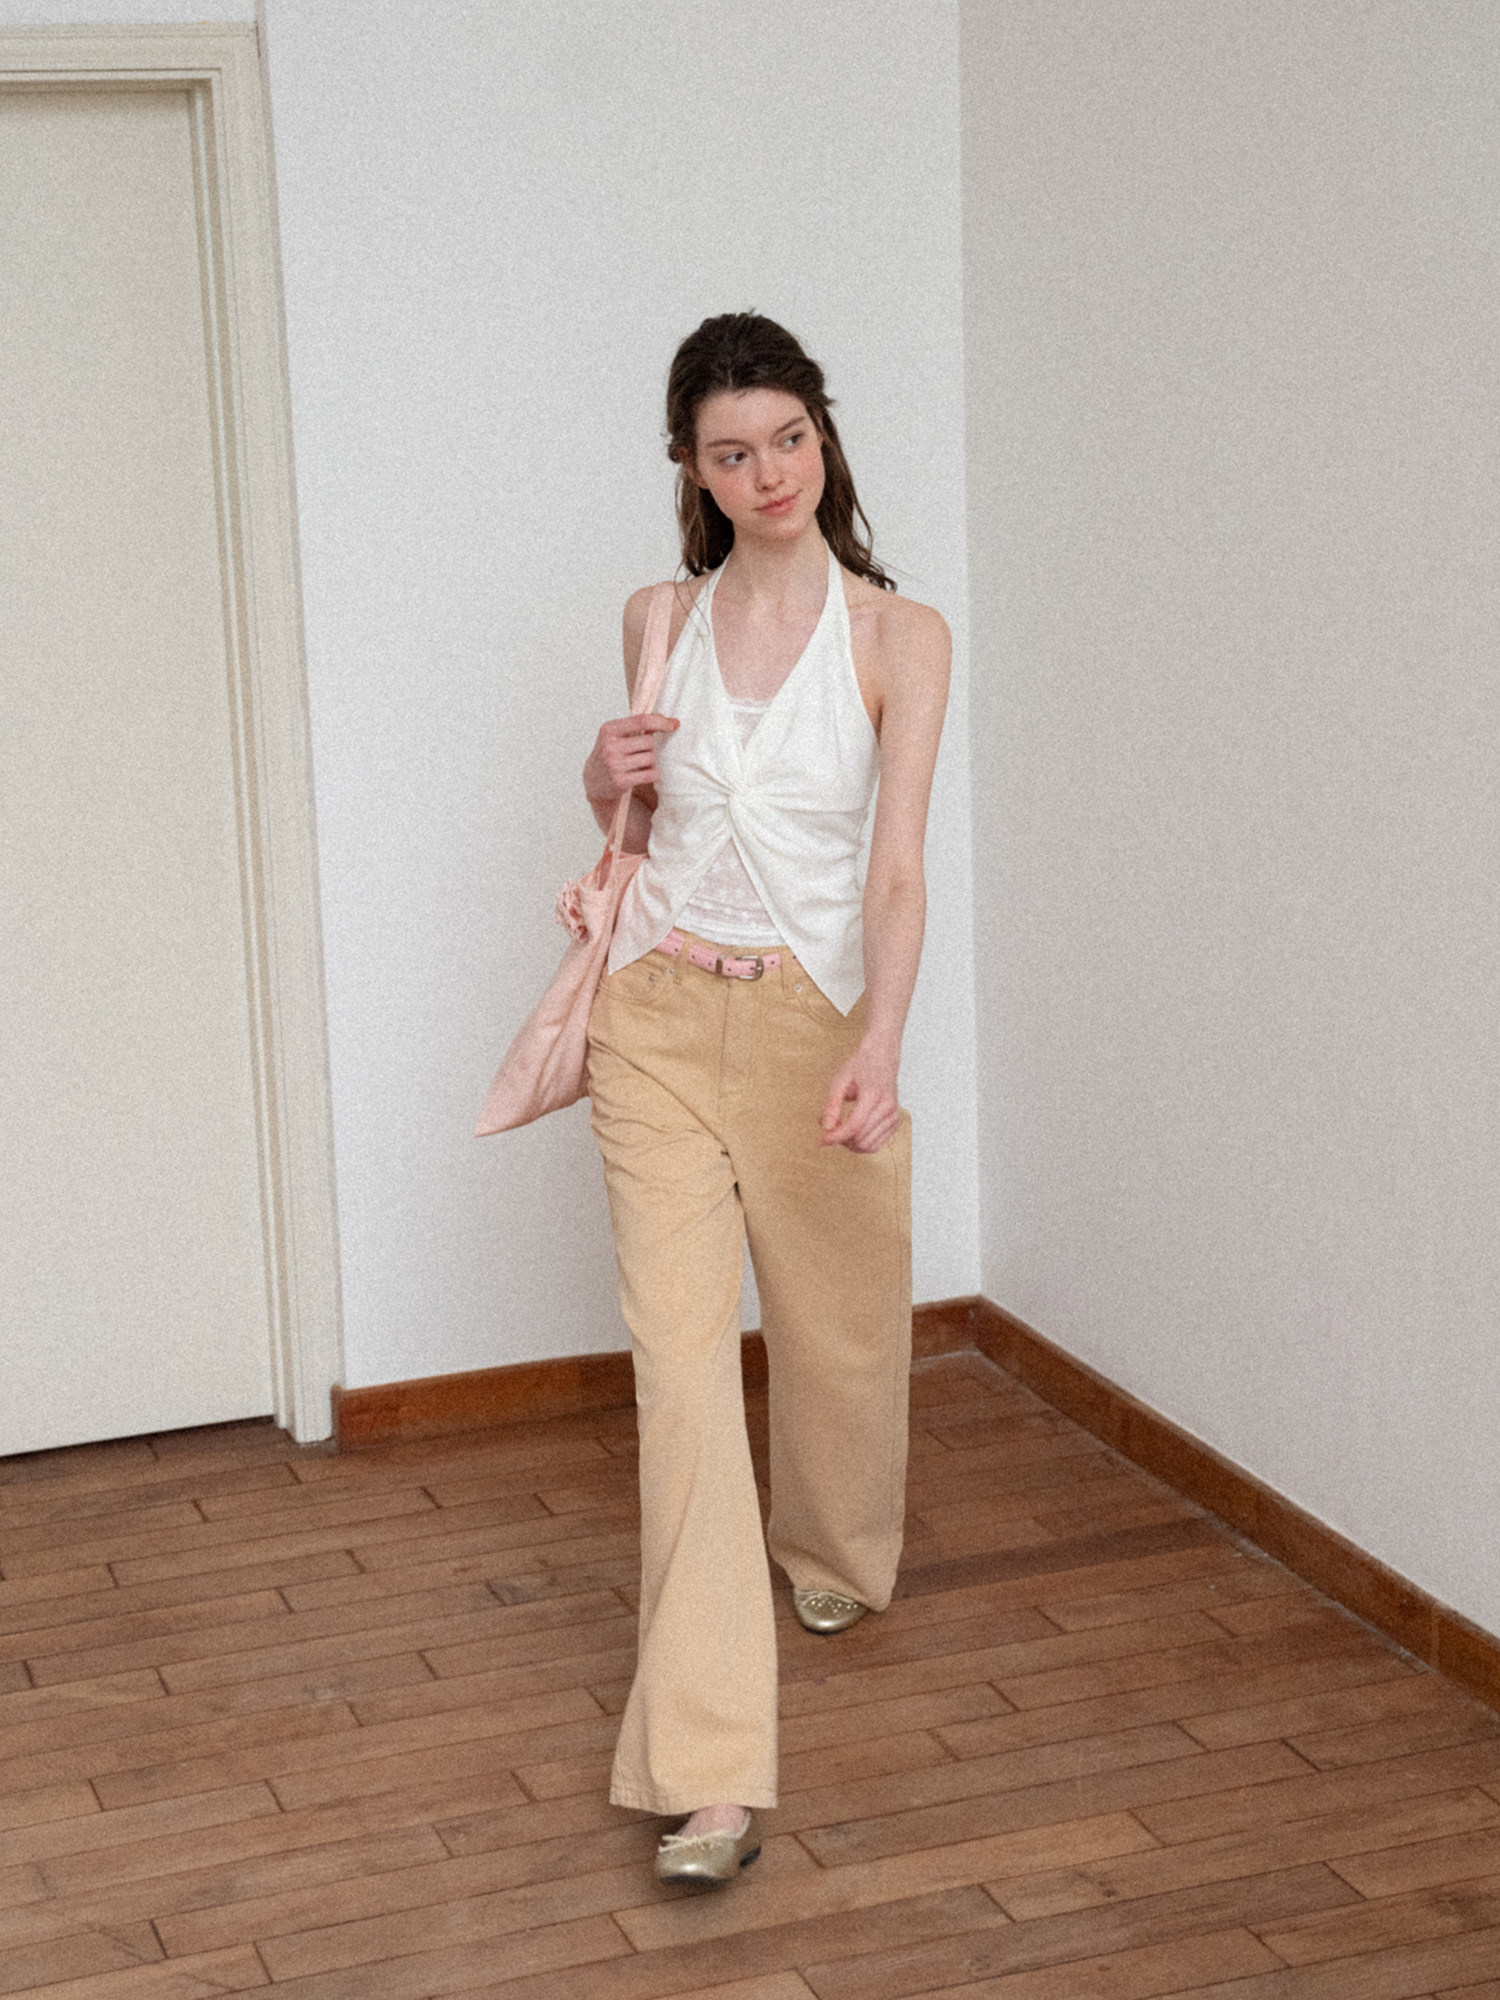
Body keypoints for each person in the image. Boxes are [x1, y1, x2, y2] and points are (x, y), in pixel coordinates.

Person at [582, 312, 950, 1888]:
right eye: (732, 453)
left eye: (789, 438)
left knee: (841, 1326)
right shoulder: (657, 616)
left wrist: (884, 1038)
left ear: (822, 435)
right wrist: (603, 771)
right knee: (681, 1380)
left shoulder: (900, 637)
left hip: (816, 1021)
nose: (769, 472)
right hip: (655, 1021)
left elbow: (898, 865)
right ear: (692, 468)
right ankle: (710, 1776)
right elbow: (629, 817)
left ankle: (834, 1548)